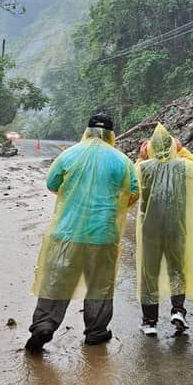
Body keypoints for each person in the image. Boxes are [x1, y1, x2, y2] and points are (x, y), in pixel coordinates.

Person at [26, 113, 138, 353]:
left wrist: (73, 195)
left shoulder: (69, 154)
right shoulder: (122, 161)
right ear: (111, 134)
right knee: (99, 284)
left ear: (86, 131)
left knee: (56, 281)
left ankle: (44, 325)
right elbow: (134, 191)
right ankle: (96, 332)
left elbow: (51, 184)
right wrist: (115, 206)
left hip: (66, 232)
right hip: (103, 234)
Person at [135, 123, 193, 336]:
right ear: (173, 147)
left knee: (149, 274)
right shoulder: (183, 165)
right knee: (177, 269)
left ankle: (150, 321)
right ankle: (178, 310)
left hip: (150, 229)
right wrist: (182, 149)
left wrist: (142, 156)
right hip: (177, 227)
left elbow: (132, 181)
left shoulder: (144, 168)